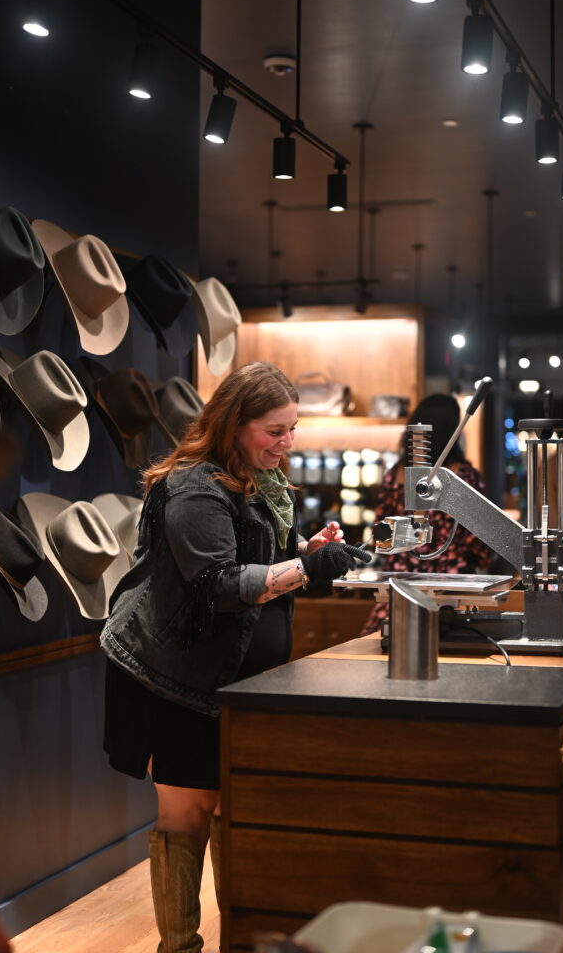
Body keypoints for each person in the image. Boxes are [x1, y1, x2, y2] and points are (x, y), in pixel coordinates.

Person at [100, 361, 371, 953]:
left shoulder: (261, 481)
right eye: (275, 430)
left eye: (293, 428)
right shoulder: (194, 486)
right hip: (177, 678)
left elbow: (254, 549)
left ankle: (239, 943)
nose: (288, 442)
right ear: (233, 423)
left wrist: (304, 549)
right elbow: (217, 583)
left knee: (232, 805)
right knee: (187, 814)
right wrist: (305, 568)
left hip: (238, 678)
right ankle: (178, 948)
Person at [360, 393, 491, 636]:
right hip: (450, 587)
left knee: (382, 643)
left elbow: (381, 535)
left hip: (399, 587)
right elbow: (480, 544)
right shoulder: (463, 477)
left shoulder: (394, 475)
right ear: (452, 431)